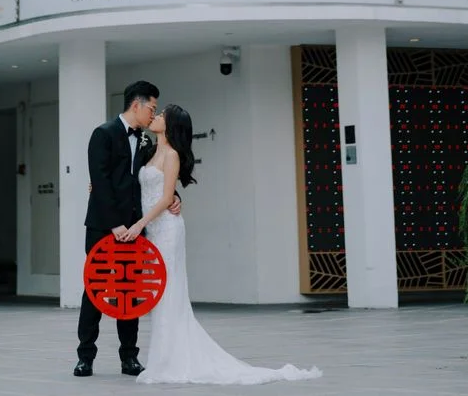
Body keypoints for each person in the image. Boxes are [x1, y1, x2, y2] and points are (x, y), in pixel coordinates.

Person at [124, 105, 322, 386]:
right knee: (159, 292)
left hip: (165, 229)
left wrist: (141, 223)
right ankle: (163, 358)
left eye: (161, 115)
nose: (155, 117)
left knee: (169, 291)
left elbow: (167, 197)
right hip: (151, 231)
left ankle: (169, 361)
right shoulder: (149, 151)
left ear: (170, 126)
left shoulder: (172, 155)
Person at [75, 79, 183, 378]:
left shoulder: (148, 140)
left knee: (131, 290)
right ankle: (85, 356)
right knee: (95, 288)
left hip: (136, 228)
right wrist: (114, 223)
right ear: (136, 104)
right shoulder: (103, 134)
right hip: (102, 226)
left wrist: (174, 197)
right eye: (152, 107)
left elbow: (155, 177)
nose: (154, 113)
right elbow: (100, 180)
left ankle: (129, 357)